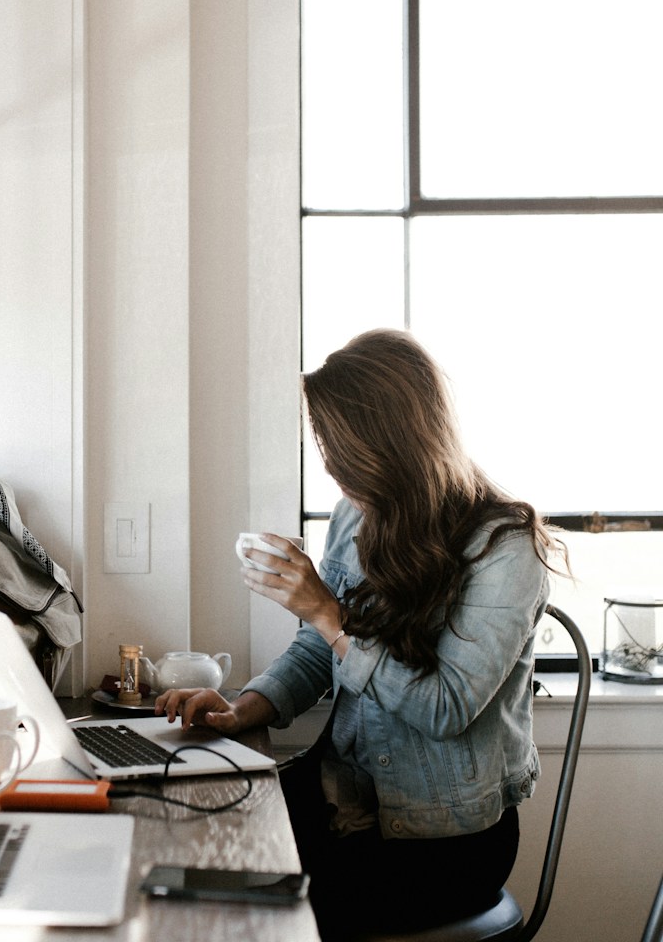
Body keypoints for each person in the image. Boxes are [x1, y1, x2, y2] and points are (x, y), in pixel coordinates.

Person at [155, 328, 567, 940]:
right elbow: (319, 649)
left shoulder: (505, 548)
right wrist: (245, 708)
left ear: (393, 442)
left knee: (238, 907)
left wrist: (328, 612)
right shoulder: (357, 514)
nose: (329, 464)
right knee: (188, 838)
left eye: (338, 447)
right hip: (344, 797)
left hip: (443, 841)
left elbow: (444, 707)